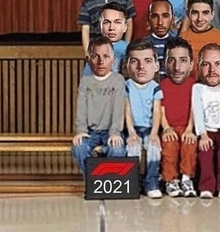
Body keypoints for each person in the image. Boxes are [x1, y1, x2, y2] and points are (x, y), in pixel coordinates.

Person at [71, 36, 126, 176]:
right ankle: (93, 180)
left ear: (113, 60)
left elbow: (118, 109)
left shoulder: (118, 80)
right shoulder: (86, 81)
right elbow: (82, 108)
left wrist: (115, 132)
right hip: (91, 132)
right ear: (89, 60)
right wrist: (81, 130)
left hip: (110, 131)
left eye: (106, 57)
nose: (101, 62)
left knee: (118, 150)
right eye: (96, 56)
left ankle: (108, 178)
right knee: (79, 148)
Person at [192, 43, 220, 199]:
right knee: (205, 152)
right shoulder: (198, 88)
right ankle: (207, 186)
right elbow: (197, 112)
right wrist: (202, 135)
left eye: (218, 64)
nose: (212, 70)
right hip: (206, 131)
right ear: (199, 67)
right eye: (206, 64)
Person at [124, 39, 164, 199]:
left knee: (154, 149)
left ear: (156, 66)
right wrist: (131, 132)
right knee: (133, 149)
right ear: (127, 65)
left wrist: (154, 133)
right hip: (133, 129)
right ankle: (133, 183)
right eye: (135, 61)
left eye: (147, 61)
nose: (141, 67)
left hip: (149, 129)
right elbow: (126, 111)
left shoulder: (155, 87)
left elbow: (157, 112)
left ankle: (151, 182)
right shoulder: (127, 86)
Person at [159, 37, 198, 197]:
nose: (177, 67)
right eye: (172, 61)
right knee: (169, 145)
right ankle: (170, 180)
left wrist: (190, 129)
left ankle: (186, 179)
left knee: (189, 144)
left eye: (183, 61)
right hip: (169, 127)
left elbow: (194, 109)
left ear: (191, 64)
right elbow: (160, 109)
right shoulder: (162, 85)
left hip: (187, 127)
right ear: (164, 64)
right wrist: (166, 128)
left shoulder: (194, 85)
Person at [179, 0, 220, 78]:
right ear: (188, 14)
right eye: (195, 13)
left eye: (205, 13)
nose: (200, 19)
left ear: (212, 15)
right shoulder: (183, 38)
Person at [83, 2, 129, 75]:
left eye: (117, 22)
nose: (111, 28)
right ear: (99, 27)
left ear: (125, 27)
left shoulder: (131, 50)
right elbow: (87, 79)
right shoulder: (94, 50)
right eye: (106, 22)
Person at [144, 0, 174, 79]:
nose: (160, 22)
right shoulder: (142, 44)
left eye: (165, 16)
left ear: (172, 19)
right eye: (154, 16)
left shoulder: (178, 44)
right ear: (148, 19)